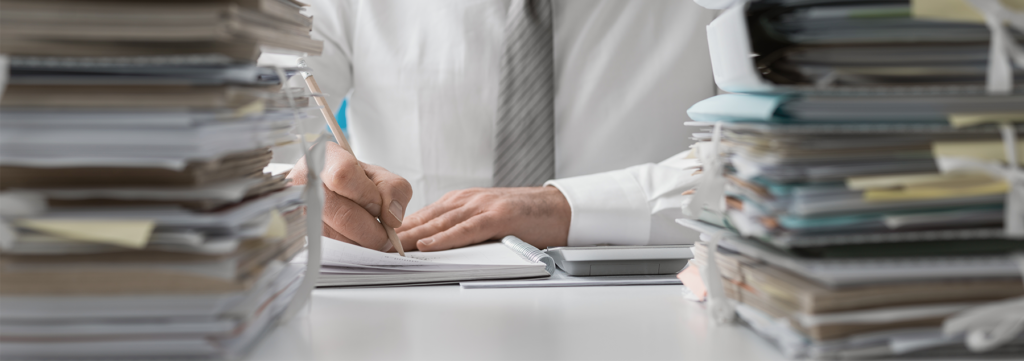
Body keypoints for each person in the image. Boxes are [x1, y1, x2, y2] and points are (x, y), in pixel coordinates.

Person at [288, 0, 714, 253]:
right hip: (411, 303)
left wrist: (568, 208)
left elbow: (765, 172)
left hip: (660, 298)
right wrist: (310, 177)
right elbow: (256, 139)